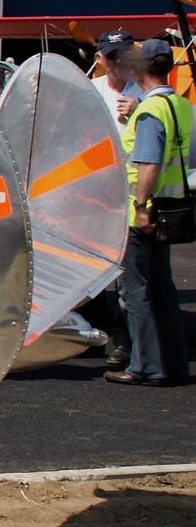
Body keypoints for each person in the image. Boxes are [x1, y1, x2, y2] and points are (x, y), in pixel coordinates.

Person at [107, 39, 192, 386]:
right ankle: (173, 363)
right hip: (174, 209)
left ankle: (145, 366)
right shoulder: (182, 105)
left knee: (135, 291)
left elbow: (148, 164)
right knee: (162, 288)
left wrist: (141, 205)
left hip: (142, 212)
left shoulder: (149, 113)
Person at [89, 30, 142, 127]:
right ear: (98, 58)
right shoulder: (90, 89)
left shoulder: (146, 88)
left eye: (124, 54)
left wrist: (140, 112)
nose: (118, 60)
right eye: (112, 55)